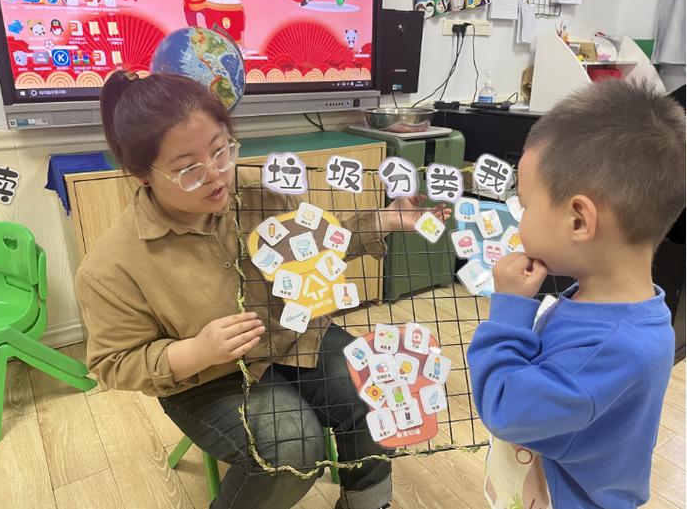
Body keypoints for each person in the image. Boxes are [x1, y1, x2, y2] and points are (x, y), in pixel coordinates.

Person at [76, 70, 451, 509]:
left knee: (378, 385)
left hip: (296, 338)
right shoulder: (110, 265)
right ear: (141, 172)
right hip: (211, 380)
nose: (216, 176)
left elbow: (315, 247)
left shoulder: (263, 195)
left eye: (221, 152)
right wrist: (196, 351)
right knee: (292, 444)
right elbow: (113, 362)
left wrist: (383, 221)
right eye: (188, 170)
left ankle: (366, 500)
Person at [467, 79, 685, 508]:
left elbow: (505, 407)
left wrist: (508, 312)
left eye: (526, 205)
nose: (520, 218)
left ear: (579, 221)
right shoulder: (618, 305)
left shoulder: (610, 345)